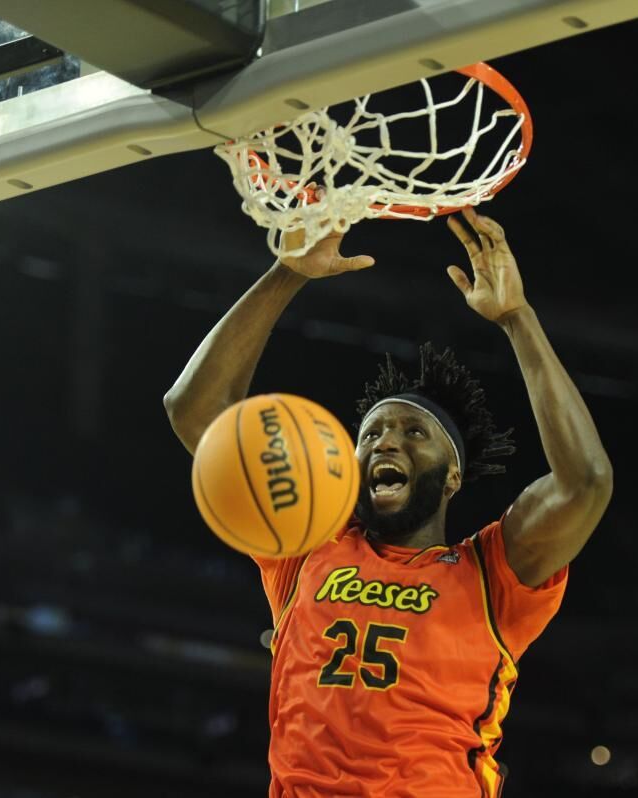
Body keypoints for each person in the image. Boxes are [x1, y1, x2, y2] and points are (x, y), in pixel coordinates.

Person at [163, 207, 613, 797]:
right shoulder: (309, 542)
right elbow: (192, 410)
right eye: (370, 434)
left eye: (412, 433)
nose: (384, 442)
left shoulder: (492, 572)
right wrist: (287, 272)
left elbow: (586, 482)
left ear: (453, 476)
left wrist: (517, 319)